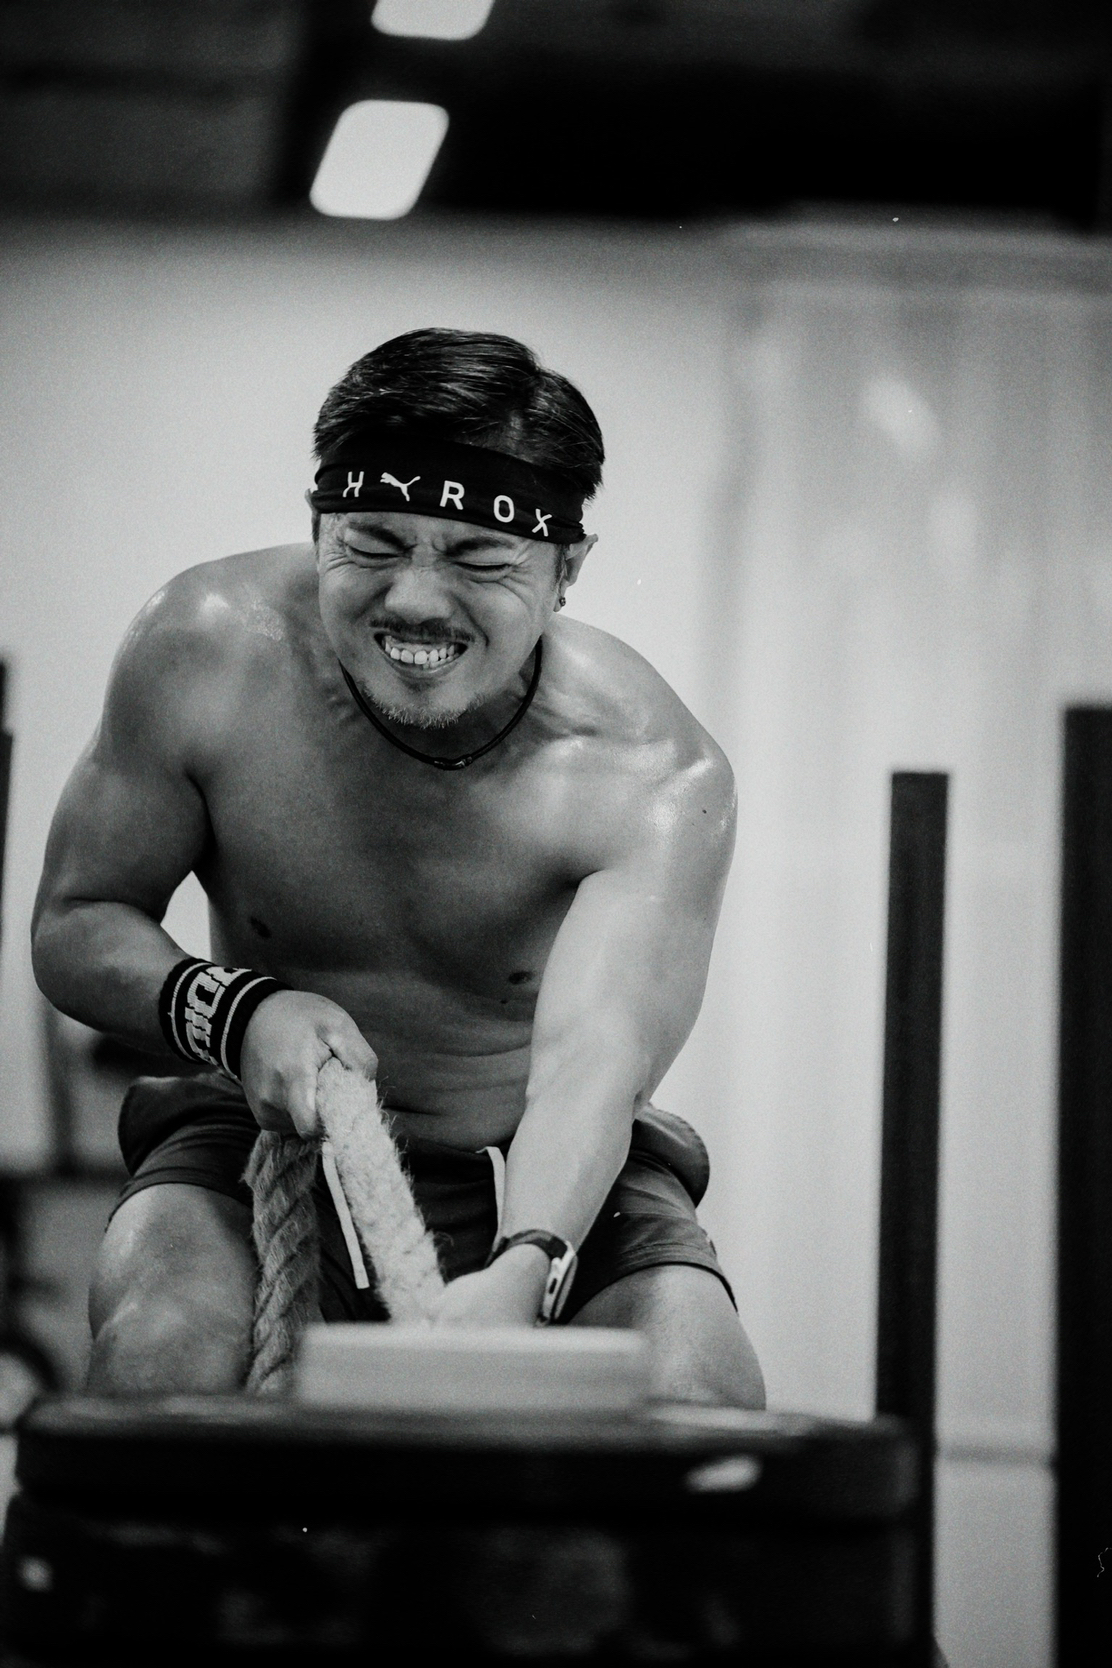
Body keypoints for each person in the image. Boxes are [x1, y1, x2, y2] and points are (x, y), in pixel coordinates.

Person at [32, 328, 764, 1406]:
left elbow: (592, 1065)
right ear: (316, 528)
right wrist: (237, 1014)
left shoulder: (648, 767)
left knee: (701, 1392)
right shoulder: (203, 652)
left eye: (479, 558)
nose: (416, 601)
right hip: (263, 1124)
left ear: (566, 569)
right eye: (373, 543)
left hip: (547, 1161)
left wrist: (525, 1263)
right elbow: (78, 922)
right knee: (161, 1354)